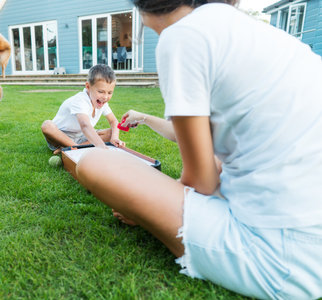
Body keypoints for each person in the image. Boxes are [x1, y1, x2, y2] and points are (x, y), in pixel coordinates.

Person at [75, 0, 322, 299]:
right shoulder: (267, 38)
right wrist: (145, 118)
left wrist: (145, 209)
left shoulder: (182, 35)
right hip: (311, 241)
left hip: (280, 261)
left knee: (96, 162)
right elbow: (205, 135)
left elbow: (200, 182)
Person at [41, 64, 124, 154]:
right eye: (101, 91)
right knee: (47, 125)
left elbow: (114, 122)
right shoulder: (80, 100)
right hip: (61, 136)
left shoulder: (102, 102)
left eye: (110, 92)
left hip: (81, 136)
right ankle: (73, 147)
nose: (105, 97)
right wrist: (102, 147)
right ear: (88, 87)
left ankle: (71, 148)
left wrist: (115, 137)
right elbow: (85, 125)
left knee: (112, 132)